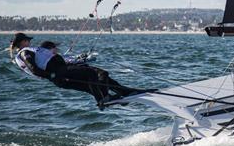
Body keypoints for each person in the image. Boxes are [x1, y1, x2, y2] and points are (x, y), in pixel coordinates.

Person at [9, 32, 143, 107]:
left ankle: (115, 96)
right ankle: (104, 99)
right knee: (93, 73)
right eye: (27, 40)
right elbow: (34, 69)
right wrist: (51, 75)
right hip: (58, 73)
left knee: (90, 83)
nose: (29, 42)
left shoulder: (25, 52)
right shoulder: (24, 52)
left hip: (59, 74)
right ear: (22, 42)